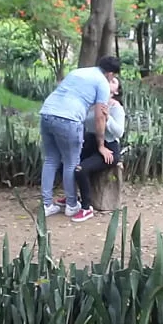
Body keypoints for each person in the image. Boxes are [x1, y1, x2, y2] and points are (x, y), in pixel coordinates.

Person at [40, 56, 121, 218]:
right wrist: (100, 145)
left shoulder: (78, 72)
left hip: (47, 112)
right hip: (68, 119)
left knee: (50, 160)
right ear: (111, 74)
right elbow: (100, 117)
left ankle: (46, 204)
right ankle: (71, 204)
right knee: (72, 162)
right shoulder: (103, 83)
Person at [55, 76, 126, 222]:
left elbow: (119, 132)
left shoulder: (115, 107)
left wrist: (108, 118)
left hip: (108, 147)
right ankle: (72, 197)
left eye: (113, 82)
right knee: (64, 164)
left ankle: (86, 208)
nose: (108, 82)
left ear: (117, 91)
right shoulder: (92, 104)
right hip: (89, 142)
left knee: (81, 169)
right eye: (108, 79)